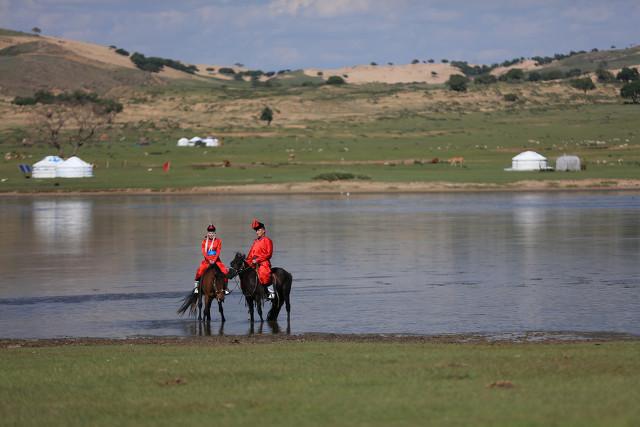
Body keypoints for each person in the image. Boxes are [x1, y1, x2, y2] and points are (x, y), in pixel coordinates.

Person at [194, 224, 230, 295]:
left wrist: (214, 260)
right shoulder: (204, 242)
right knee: (199, 271)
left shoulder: (218, 241)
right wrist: (209, 260)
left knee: (225, 271)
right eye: (209, 233)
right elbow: (204, 252)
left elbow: (218, 251)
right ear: (207, 233)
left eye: (212, 233)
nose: (211, 234)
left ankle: (225, 288)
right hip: (207, 261)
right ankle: (196, 288)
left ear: (215, 234)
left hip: (216, 260)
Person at [246, 218, 275, 299]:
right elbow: (250, 254)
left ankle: (270, 291)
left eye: (258, 230)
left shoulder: (267, 240)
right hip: (253, 263)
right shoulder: (255, 241)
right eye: (256, 231)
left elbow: (269, 254)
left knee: (263, 274)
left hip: (263, 263)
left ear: (263, 230)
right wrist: (247, 261)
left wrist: (257, 260)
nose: (257, 232)